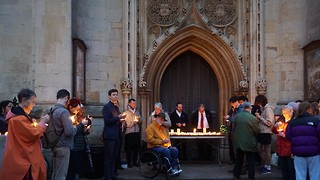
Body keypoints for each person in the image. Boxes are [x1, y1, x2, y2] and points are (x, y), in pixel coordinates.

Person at [0, 89, 49, 180]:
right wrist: (42, 123)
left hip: (23, 155)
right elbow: (33, 134)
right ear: (23, 100)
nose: (33, 105)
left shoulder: (20, 117)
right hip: (23, 159)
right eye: (32, 101)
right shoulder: (18, 119)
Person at [286, 102, 320, 180]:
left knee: (300, 174)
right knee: (315, 174)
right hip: (314, 152)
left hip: (298, 152)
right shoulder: (315, 121)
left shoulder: (292, 123)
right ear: (309, 109)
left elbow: (288, 136)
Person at [51, 89, 77, 180]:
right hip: (63, 145)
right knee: (61, 175)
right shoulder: (64, 112)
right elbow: (69, 131)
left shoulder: (52, 110)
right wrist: (75, 127)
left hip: (54, 144)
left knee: (55, 173)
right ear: (66, 98)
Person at [102, 89, 126, 180]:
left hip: (117, 135)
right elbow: (107, 121)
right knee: (108, 157)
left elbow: (117, 120)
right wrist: (118, 118)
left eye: (116, 94)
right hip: (110, 136)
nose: (116, 96)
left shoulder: (116, 107)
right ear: (109, 96)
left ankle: (113, 174)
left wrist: (122, 122)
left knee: (114, 156)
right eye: (114, 94)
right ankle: (107, 176)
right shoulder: (107, 107)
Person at [66, 98, 92, 180]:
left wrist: (87, 129)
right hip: (73, 146)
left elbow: (82, 131)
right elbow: (72, 131)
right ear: (70, 107)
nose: (77, 111)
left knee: (78, 168)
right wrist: (81, 124)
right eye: (76, 109)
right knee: (72, 168)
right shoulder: (67, 116)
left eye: (78, 109)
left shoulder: (78, 116)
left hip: (81, 145)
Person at [233, 102, 260, 180]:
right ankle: (251, 177)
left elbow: (234, 128)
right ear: (250, 108)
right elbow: (257, 130)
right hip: (250, 142)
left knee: (239, 159)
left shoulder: (237, 116)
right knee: (251, 160)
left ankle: (236, 175)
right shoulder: (252, 118)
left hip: (239, 141)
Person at [272, 105, 295, 180]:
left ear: (291, 112)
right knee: (284, 170)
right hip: (281, 149)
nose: (284, 114)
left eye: (286, 112)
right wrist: (275, 126)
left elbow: (295, 135)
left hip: (289, 150)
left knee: (291, 170)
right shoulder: (281, 119)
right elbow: (274, 130)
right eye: (283, 112)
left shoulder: (293, 121)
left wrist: (285, 135)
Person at [254, 95, 275, 174]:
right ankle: (265, 164)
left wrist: (260, 117)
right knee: (260, 148)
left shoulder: (268, 110)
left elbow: (269, 123)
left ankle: (268, 166)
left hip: (266, 132)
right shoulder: (263, 109)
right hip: (262, 132)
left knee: (267, 150)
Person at [224, 96, 242, 164]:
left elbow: (236, 119)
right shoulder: (233, 109)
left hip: (238, 131)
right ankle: (234, 160)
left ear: (236, 102)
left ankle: (238, 163)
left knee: (237, 148)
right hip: (232, 130)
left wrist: (230, 119)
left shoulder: (240, 109)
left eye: (232, 103)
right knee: (232, 146)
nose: (232, 105)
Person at [123, 98, 141, 168]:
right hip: (129, 133)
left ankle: (135, 161)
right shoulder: (126, 113)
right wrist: (131, 124)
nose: (134, 105)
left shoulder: (137, 112)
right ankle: (129, 162)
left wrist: (139, 119)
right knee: (129, 149)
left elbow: (141, 120)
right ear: (129, 104)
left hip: (136, 132)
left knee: (136, 147)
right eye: (133, 103)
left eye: (135, 103)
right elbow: (124, 124)